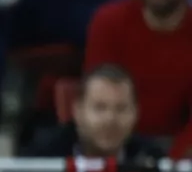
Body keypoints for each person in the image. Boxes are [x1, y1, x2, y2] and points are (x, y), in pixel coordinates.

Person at [85, 0, 192, 134]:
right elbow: (99, 97)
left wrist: (175, 153)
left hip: (177, 146)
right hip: (116, 140)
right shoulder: (109, 21)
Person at [25, 61, 160, 158]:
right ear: (78, 111)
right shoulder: (42, 158)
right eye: (100, 108)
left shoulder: (152, 161)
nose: (110, 119)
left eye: (121, 109)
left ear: (136, 113)